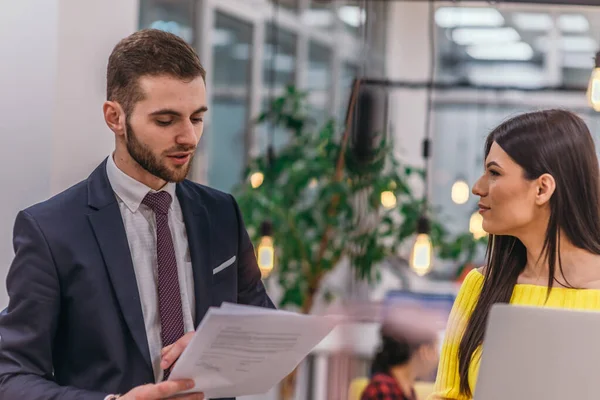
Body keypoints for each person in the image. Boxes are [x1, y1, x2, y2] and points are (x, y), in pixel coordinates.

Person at [0, 29, 274, 400]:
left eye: (196, 118)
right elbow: (11, 375)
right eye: (166, 121)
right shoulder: (51, 231)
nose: (189, 138)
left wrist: (215, 347)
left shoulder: (222, 212)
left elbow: (262, 331)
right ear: (115, 117)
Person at [431, 109, 600, 399]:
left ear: (542, 188)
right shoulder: (479, 288)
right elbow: (448, 395)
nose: (478, 187)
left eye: (494, 173)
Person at [361, 329, 438, 400]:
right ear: (425, 351)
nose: (438, 358)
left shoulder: (408, 391)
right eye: (435, 348)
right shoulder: (382, 388)